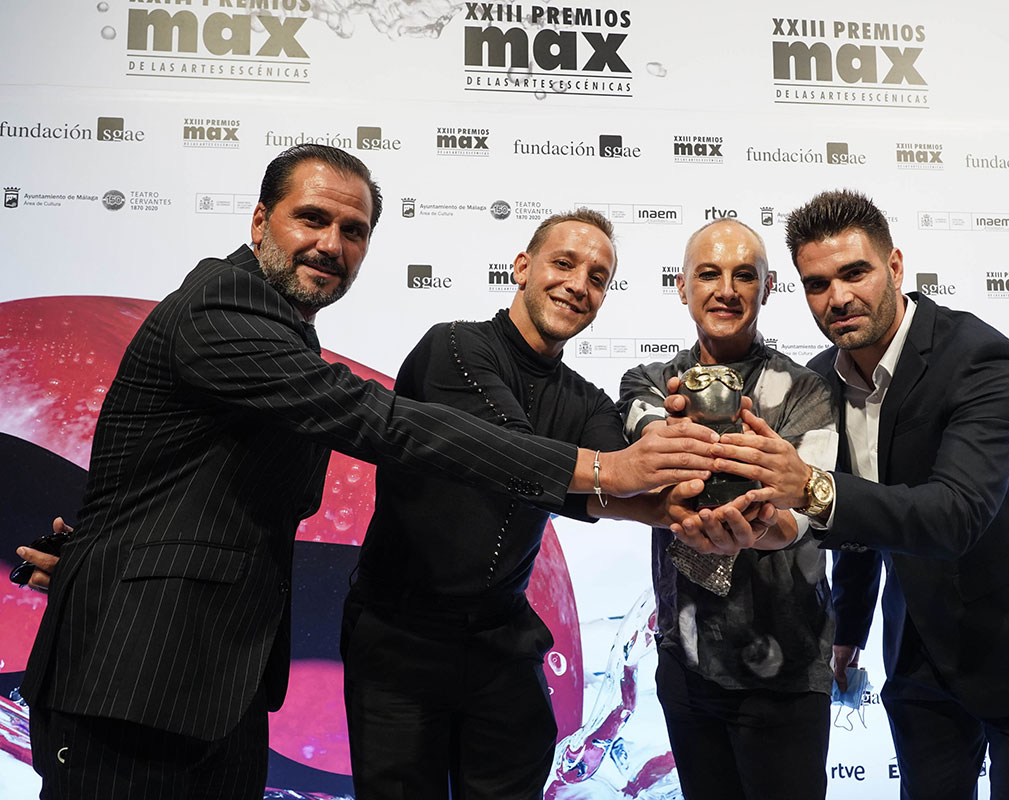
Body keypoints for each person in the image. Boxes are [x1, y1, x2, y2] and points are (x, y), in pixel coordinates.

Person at [18, 146, 718, 800]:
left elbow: (186, 479)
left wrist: (681, 501)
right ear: (260, 221)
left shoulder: (287, 325)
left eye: (353, 231)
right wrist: (607, 470)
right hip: (144, 676)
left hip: (217, 678)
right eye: (312, 219)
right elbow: (389, 425)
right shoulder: (227, 307)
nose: (332, 244)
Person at [701, 189, 1009, 800]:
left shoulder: (980, 359)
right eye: (817, 284)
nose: (838, 298)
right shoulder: (823, 378)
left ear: (894, 267)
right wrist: (850, 627)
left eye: (854, 273)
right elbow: (860, 519)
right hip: (917, 648)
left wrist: (808, 485)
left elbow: (956, 515)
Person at [340, 209, 730, 800]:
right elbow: (509, 453)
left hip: (502, 642)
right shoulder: (453, 346)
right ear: (523, 268)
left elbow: (624, 481)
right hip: (400, 640)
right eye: (564, 263)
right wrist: (620, 472)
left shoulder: (584, 400)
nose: (578, 284)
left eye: (597, 277)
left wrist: (689, 453)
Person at [617, 219, 838, 800]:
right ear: (682, 286)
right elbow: (658, 469)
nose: (726, 290)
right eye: (708, 273)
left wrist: (759, 528)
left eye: (744, 275)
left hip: (788, 665)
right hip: (688, 663)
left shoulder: (807, 390)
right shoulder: (648, 384)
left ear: (767, 288)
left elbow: (800, 518)